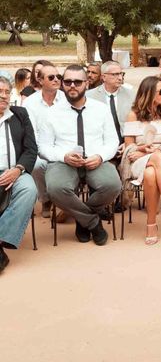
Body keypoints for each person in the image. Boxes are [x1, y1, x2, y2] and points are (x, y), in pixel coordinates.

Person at [39, 65, 121, 246]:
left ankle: (82, 220)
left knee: (113, 185)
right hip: (64, 162)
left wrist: (100, 156)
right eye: (67, 81)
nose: (72, 85)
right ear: (62, 84)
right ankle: (92, 222)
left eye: (77, 81)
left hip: (95, 160)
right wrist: (63, 156)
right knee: (56, 188)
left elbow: (112, 142)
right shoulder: (52, 113)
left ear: (86, 83)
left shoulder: (101, 109)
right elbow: (43, 147)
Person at [121, 77, 161, 244]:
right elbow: (129, 147)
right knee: (154, 162)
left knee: (151, 173)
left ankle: (151, 224)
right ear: (149, 93)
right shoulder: (133, 115)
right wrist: (143, 152)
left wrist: (148, 153)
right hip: (138, 162)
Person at [0, 76, 38, 273]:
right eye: (0, 92)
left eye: (7, 92)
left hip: (15, 170)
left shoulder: (20, 114)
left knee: (29, 189)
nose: (4, 96)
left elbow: (31, 149)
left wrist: (18, 169)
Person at [23, 62, 66, 218]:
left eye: (59, 77)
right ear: (40, 81)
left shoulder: (67, 99)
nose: (56, 80)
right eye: (51, 77)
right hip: (39, 147)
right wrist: (41, 151)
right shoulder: (30, 102)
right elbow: (31, 132)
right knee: (37, 165)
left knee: (68, 162)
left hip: (64, 146)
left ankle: (64, 203)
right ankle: (46, 199)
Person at [87, 61, 134, 146]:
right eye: (114, 74)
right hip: (101, 145)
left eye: (121, 74)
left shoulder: (131, 95)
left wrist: (128, 144)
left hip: (126, 143)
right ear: (103, 77)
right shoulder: (90, 97)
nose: (120, 78)